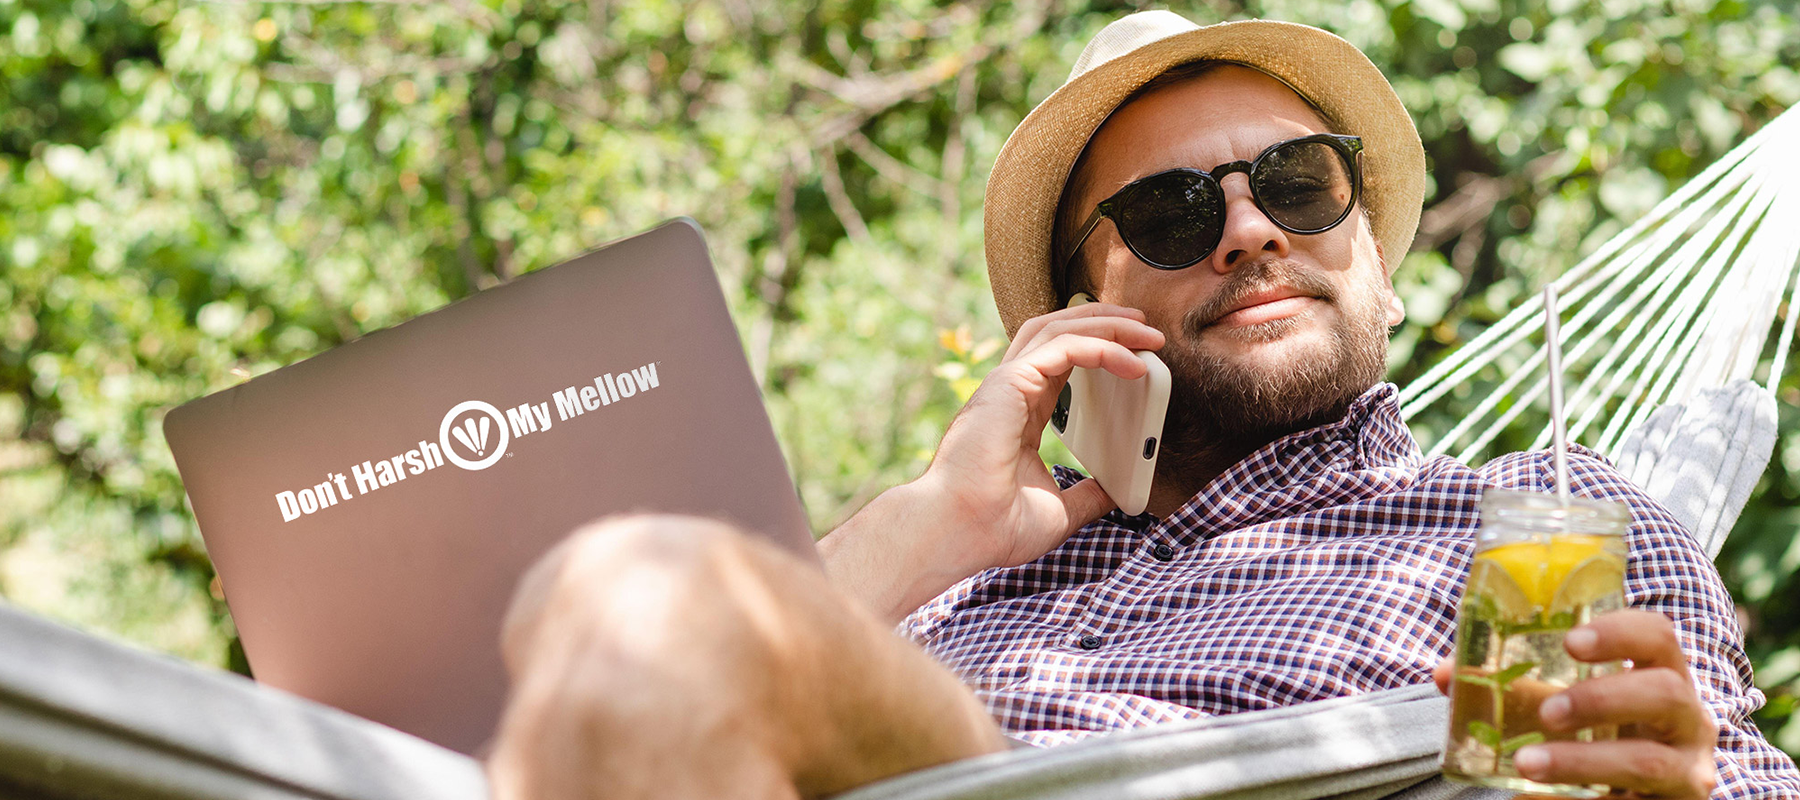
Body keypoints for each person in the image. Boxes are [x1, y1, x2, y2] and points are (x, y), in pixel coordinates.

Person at [486, 11, 1799, 800]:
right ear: (1071, 323)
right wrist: (938, 521)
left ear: (1380, 272)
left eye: (1297, 185)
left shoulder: (1538, 534)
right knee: (611, 611)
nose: (1245, 232)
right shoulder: (940, 593)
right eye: (1171, 214)